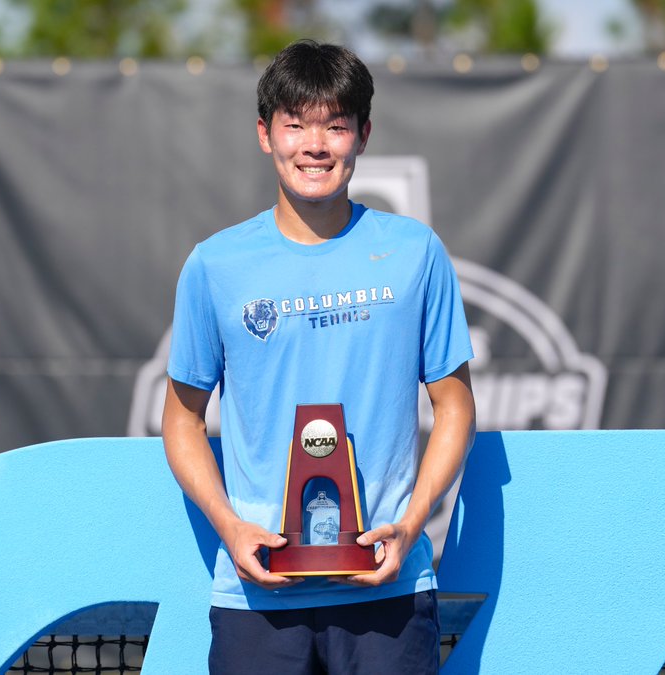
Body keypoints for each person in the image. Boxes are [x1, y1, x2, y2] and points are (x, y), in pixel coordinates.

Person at [161, 39, 476, 675]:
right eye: (296, 124)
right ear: (264, 134)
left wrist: (412, 527)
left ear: (362, 134)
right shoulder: (215, 265)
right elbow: (182, 419)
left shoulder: (415, 253)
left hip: (388, 592)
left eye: (335, 125)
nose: (315, 145)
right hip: (259, 599)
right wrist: (230, 525)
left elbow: (456, 407)